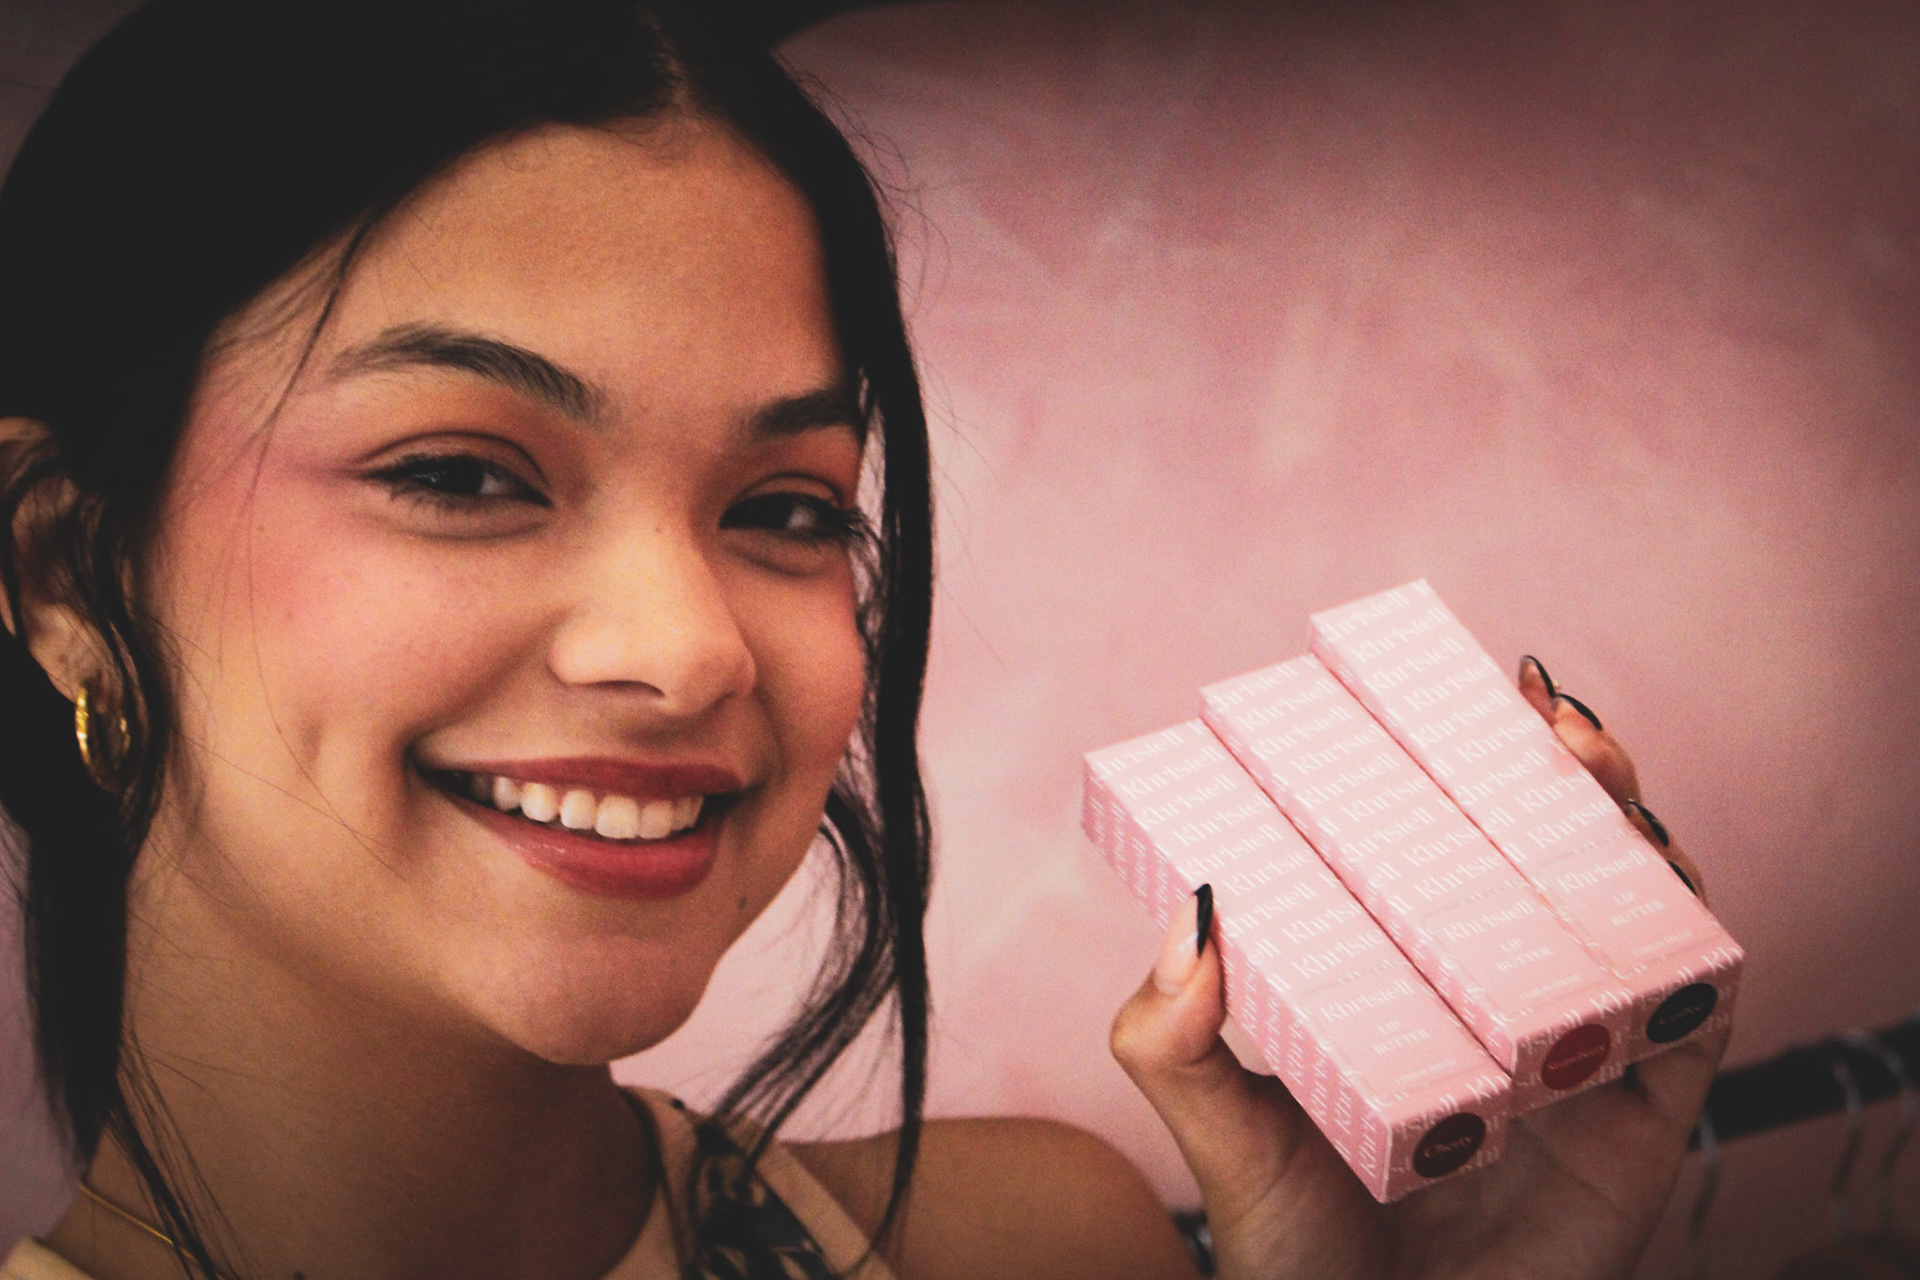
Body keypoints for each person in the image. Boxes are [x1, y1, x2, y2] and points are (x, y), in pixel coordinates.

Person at [0, 2, 1726, 1277]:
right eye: (461, 474)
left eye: (787, 507)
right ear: (68, 570)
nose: (689, 651)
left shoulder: (1040, 1248)